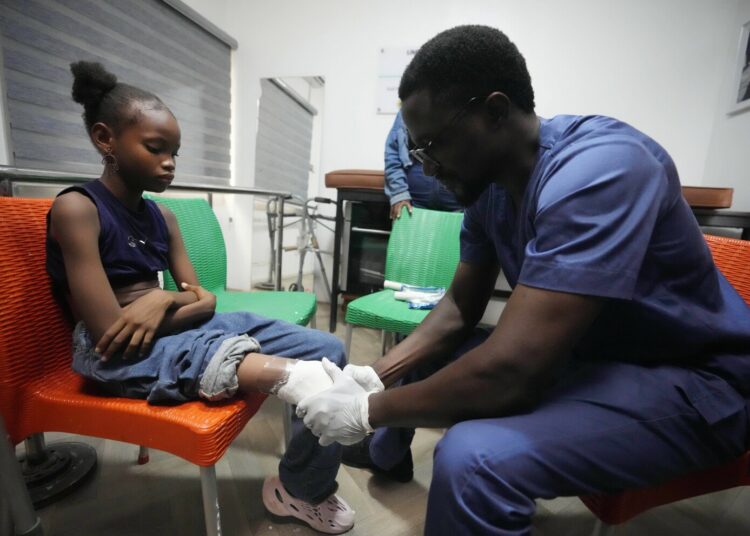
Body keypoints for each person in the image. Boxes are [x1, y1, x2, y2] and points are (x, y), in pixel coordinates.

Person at [297, 26, 750, 535]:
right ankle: (387, 456)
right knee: (439, 354)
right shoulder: (488, 190)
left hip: (698, 382)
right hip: (594, 354)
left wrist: (367, 409)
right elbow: (456, 312)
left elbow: (510, 373)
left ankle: (390, 441)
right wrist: (374, 375)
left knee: (473, 462)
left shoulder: (601, 168)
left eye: (431, 145)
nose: (425, 167)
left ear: (493, 111)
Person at [46, 61, 355, 534]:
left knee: (328, 349)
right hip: (114, 354)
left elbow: (205, 300)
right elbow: (110, 332)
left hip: (180, 329)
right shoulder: (77, 209)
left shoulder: (163, 218)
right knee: (275, 366)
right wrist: (178, 300)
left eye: (174, 152)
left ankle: (297, 486)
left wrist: (162, 301)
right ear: (105, 139)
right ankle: (297, 385)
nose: (169, 162)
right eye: (156, 148)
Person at [384, 110, 462, 219]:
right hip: (413, 205)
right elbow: (393, 154)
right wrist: (399, 194)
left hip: (459, 206)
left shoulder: (466, 108)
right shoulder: (409, 106)